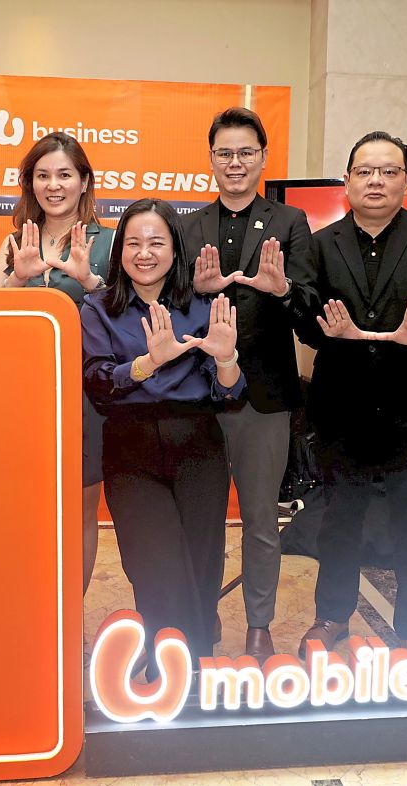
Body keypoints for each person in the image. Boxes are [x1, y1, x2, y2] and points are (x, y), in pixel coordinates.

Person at [289, 131, 407, 656]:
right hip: (341, 408)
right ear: (347, 181)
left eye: (389, 171)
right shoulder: (320, 244)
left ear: (406, 181)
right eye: (365, 171)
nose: (376, 180)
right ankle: (331, 617)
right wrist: (325, 329)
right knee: (339, 521)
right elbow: (302, 315)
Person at [81, 198, 244, 664]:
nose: (144, 253)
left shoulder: (204, 307)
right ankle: (169, 668)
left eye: (156, 242)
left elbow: (230, 393)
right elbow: (97, 383)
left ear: (175, 250)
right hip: (130, 447)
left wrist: (227, 358)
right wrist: (149, 362)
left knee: (201, 564)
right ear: (119, 251)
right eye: (133, 243)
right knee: (154, 565)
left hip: (198, 445)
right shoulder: (98, 308)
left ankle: (189, 669)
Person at [181, 107, 312, 662]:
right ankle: (200, 613)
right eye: (225, 153)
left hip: (265, 396)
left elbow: (309, 305)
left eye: (245, 153)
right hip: (198, 395)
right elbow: (168, 308)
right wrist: (197, 292)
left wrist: (282, 291)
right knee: (202, 518)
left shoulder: (291, 222)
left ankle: (259, 624)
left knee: (261, 518)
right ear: (210, 159)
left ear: (262, 158)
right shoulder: (187, 226)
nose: (235, 163)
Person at [0, 132, 113, 592]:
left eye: (64, 174)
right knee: (25, 505)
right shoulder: (15, 242)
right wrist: (18, 280)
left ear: (84, 182)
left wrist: (91, 280)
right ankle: (28, 605)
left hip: (87, 396)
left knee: (81, 508)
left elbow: (127, 317)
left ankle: (70, 614)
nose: (53, 185)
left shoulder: (110, 242)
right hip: (23, 395)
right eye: (43, 175)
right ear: (30, 183)